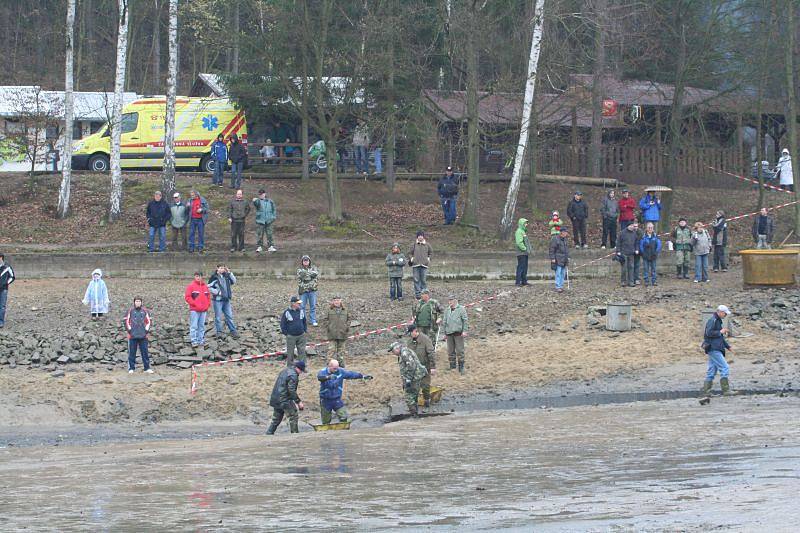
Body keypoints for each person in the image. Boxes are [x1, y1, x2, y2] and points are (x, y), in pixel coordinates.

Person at [317, 359, 371, 424]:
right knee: (326, 421)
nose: (336, 370)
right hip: (325, 400)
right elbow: (319, 377)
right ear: (329, 366)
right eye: (334, 368)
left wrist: (362, 376)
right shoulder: (323, 372)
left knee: (343, 416)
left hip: (336, 399)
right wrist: (328, 377)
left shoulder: (340, 371)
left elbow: (351, 374)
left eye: (337, 368)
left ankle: (343, 429)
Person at [701, 305, 736, 396]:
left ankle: (706, 392)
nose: (725, 315)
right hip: (714, 348)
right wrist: (720, 332)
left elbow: (720, 338)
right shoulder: (713, 320)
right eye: (725, 313)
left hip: (714, 348)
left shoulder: (717, 321)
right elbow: (708, 333)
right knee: (725, 367)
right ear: (720, 312)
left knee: (712, 370)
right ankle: (726, 391)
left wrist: (728, 347)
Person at [266, 360, 306, 435]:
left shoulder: (285, 370)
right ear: (298, 368)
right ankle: (295, 434)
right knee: (293, 415)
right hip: (285, 399)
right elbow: (291, 390)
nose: (301, 373)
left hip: (276, 398)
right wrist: (298, 402)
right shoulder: (293, 375)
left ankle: (269, 433)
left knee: (276, 419)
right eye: (301, 371)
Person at [390, 341, 428, 417]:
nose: (393, 353)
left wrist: (408, 379)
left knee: (409, 397)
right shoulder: (404, 352)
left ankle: (414, 415)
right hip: (415, 376)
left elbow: (411, 366)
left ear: (397, 348)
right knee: (414, 395)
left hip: (414, 377)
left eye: (393, 351)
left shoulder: (404, 353)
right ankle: (415, 413)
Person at [407, 324, 436, 407]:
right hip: (414, 368)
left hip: (425, 366)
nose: (409, 335)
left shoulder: (425, 339)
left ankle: (427, 401)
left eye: (410, 333)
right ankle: (414, 404)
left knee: (425, 385)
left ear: (415, 331)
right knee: (414, 387)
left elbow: (431, 353)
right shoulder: (409, 341)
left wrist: (433, 367)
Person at [208, 264, 238, 338]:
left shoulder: (227, 276)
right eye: (221, 268)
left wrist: (230, 273)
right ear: (217, 268)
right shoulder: (214, 277)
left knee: (229, 316)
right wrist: (217, 292)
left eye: (223, 268)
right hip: (217, 300)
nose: (222, 270)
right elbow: (208, 287)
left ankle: (233, 331)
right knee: (218, 317)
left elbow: (234, 281)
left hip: (226, 300)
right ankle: (219, 332)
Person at [124, 297, 152, 374]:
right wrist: (130, 331)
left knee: (145, 352)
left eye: (139, 301)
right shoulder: (130, 311)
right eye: (136, 301)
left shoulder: (145, 311)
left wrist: (146, 331)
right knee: (132, 352)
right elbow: (126, 321)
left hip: (143, 336)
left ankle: (147, 368)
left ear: (141, 302)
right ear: (134, 302)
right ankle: (131, 368)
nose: (138, 303)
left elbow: (149, 322)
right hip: (132, 336)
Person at [443, 295, 468, 374]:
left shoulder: (461, 309)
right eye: (449, 300)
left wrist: (464, 331)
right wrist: (445, 333)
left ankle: (461, 367)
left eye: (451, 300)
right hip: (449, 333)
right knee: (450, 351)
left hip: (458, 333)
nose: (449, 302)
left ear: (455, 300)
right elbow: (444, 322)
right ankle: (452, 366)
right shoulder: (447, 310)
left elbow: (465, 321)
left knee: (460, 351)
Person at [184, 272, 210, 347]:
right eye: (197, 276)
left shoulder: (205, 286)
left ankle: (201, 340)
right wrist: (195, 304)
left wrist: (207, 305)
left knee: (201, 326)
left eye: (200, 276)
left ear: (202, 277)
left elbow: (208, 296)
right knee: (194, 326)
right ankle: (194, 341)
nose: (198, 277)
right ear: (194, 277)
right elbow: (187, 297)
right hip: (194, 310)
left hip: (203, 310)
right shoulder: (191, 286)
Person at [280, 295, 307, 364]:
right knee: (290, 353)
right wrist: (287, 334)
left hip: (301, 335)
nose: (299, 304)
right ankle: (290, 367)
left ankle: (302, 367)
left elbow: (304, 321)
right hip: (291, 336)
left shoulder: (301, 311)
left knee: (302, 352)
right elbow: (283, 324)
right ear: (293, 303)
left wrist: (304, 330)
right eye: (298, 303)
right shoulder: (287, 312)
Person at [325, 296, 350, 367]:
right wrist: (328, 327)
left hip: (342, 333)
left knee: (341, 351)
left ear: (341, 301)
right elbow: (325, 320)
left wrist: (346, 327)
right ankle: (329, 365)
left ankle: (341, 365)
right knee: (331, 351)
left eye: (338, 300)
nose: (336, 302)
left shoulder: (345, 310)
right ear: (332, 302)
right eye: (335, 300)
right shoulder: (329, 310)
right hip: (332, 333)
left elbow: (349, 319)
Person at [408, 231, 432, 299]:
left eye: (421, 235)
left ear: (423, 236)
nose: (420, 237)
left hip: (424, 265)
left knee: (423, 280)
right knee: (416, 280)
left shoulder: (427, 245)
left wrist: (428, 259)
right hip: (415, 265)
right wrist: (412, 259)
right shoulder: (414, 244)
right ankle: (418, 295)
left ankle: (424, 294)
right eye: (419, 236)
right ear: (417, 237)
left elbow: (431, 253)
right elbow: (409, 253)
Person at [253, 189, 277, 253]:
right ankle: (259, 246)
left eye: (262, 194)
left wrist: (273, 217)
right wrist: (254, 200)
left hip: (269, 220)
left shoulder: (270, 201)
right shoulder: (258, 201)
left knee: (270, 234)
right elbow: (256, 203)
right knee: (260, 234)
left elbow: (274, 209)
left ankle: (271, 246)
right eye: (260, 194)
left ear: (265, 194)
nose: (261, 195)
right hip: (260, 220)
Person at [297, 255, 319, 326]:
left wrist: (308, 275)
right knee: (302, 307)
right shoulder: (299, 270)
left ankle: (313, 320)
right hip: (303, 291)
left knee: (313, 306)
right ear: (302, 262)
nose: (306, 262)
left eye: (307, 260)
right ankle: (302, 321)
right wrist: (310, 275)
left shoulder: (314, 268)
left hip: (312, 290)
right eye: (304, 260)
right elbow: (303, 276)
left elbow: (315, 274)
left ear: (309, 261)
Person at [617, 221, 640, 287]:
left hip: (631, 253)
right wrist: (618, 251)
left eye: (633, 225)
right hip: (623, 253)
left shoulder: (634, 233)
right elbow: (618, 243)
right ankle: (623, 281)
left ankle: (631, 282)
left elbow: (636, 243)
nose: (633, 227)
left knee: (631, 267)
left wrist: (637, 249)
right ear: (628, 226)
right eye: (632, 225)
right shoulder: (622, 233)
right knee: (624, 268)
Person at [639, 222, 662, 287]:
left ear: (653, 228)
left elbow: (659, 245)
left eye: (651, 227)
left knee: (653, 269)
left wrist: (656, 252)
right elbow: (641, 246)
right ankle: (646, 281)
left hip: (653, 255)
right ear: (646, 228)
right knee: (646, 269)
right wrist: (643, 253)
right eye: (649, 227)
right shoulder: (643, 237)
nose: (650, 229)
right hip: (645, 256)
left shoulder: (655, 236)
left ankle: (654, 281)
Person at [188, 189, 209, 253]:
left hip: (200, 219)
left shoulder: (202, 200)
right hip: (192, 219)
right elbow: (187, 210)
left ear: (196, 195)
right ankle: (191, 247)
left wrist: (201, 210)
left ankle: (200, 247)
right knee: (191, 234)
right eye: (191, 195)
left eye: (193, 195)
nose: (191, 196)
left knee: (201, 234)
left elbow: (207, 209)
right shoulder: (190, 200)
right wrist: (187, 206)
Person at [549, 227, 570, 292]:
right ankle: (558, 286)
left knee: (563, 274)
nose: (566, 233)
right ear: (562, 232)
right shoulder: (555, 239)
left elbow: (566, 250)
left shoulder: (565, 240)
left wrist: (568, 257)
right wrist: (552, 258)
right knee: (558, 273)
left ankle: (561, 285)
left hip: (564, 260)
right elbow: (551, 249)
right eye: (565, 232)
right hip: (557, 259)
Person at [514, 218, 532, 286]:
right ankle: (518, 282)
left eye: (526, 223)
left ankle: (524, 281)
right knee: (521, 267)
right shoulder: (519, 231)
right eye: (525, 223)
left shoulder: (523, 231)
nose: (526, 225)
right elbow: (519, 242)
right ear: (522, 224)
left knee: (525, 267)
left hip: (524, 253)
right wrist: (525, 249)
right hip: (521, 253)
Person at [0, 254, 14, 328]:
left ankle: (1, 322)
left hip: (3, 289)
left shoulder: (7, 267)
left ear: (1, 258)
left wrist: (5, 283)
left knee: (2, 306)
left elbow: (12, 277)